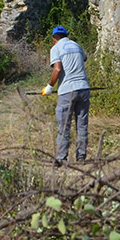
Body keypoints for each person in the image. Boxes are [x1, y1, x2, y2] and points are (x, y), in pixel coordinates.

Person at [44, 25, 90, 167]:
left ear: (54, 39)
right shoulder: (76, 45)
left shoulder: (56, 49)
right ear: (66, 35)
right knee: (82, 125)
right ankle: (81, 157)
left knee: (64, 126)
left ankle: (61, 158)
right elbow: (85, 58)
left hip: (67, 91)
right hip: (84, 88)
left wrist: (49, 87)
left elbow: (57, 69)